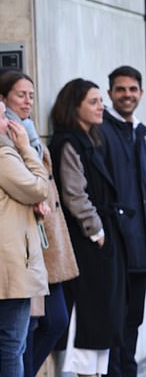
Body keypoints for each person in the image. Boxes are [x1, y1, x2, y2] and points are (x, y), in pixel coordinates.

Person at [0, 69, 79, 376]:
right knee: (20, 336)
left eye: (31, 95)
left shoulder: (22, 132)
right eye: (19, 95)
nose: (28, 101)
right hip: (21, 253)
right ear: (1, 100)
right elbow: (38, 187)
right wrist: (26, 149)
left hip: (38, 242)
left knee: (34, 330)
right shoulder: (6, 146)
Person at [49, 78, 127, 377]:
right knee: (88, 316)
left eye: (100, 101)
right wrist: (97, 232)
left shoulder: (93, 138)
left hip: (101, 238)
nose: (101, 108)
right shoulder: (67, 141)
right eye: (93, 102)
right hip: (86, 242)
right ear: (74, 106)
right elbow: (74, 194)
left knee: (104, 316)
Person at [0, 94, 50, 376]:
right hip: (13, 262)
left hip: (9, 259)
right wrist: (26, 147)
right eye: (2, 116)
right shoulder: (1, 152)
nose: (9, 122)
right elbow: (39, 187)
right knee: (14, 344)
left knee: (14, 343)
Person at [99, 66, 146, 377]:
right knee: (114, 321)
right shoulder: (100, 132)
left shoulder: (141, 133)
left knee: (133, 321)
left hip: (141, 250)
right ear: (110, 93)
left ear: (141, 93)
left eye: (132, 89)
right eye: (121, 89)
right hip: (116, 247)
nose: (127, 95)